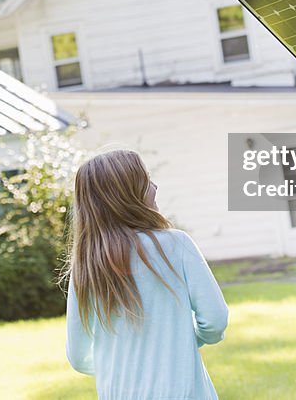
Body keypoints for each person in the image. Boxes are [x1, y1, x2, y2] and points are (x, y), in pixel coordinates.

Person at [64, 149, 229, 400]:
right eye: (146, 181)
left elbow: (78, 357)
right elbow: (215, 320)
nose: (155, 187)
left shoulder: (87, 266)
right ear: (128, 195)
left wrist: (123, 364)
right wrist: (184, 340)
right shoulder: (175, 245)